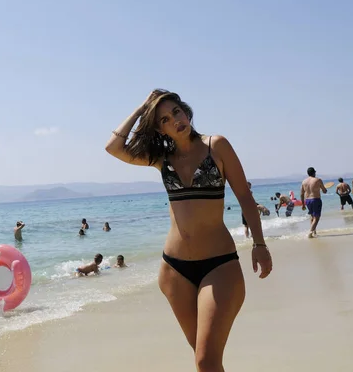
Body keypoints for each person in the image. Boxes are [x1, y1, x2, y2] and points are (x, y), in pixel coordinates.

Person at [105, 89, 271, 371]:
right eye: (165, 119)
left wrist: (259, 244)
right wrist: (142, 107)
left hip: (219, 266)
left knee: (206, 361)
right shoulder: (161, 158)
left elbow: (244, 196)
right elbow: (114, 147)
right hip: (174, 271)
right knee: (203, 360)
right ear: (159, 128)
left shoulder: (215, 146)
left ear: (186, 111)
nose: (175, 120)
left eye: (177, 112)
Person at [300, 167, 328, 238]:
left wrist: (303, 204)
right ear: (314, 172)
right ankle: (310, 232)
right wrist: (325, 190)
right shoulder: (318, 180)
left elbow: (301, 193)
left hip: (308, 200)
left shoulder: (304, 181)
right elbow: (324, 191)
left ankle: (314, 232)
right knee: (317, 218)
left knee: (312, 216)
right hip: (315, 199)